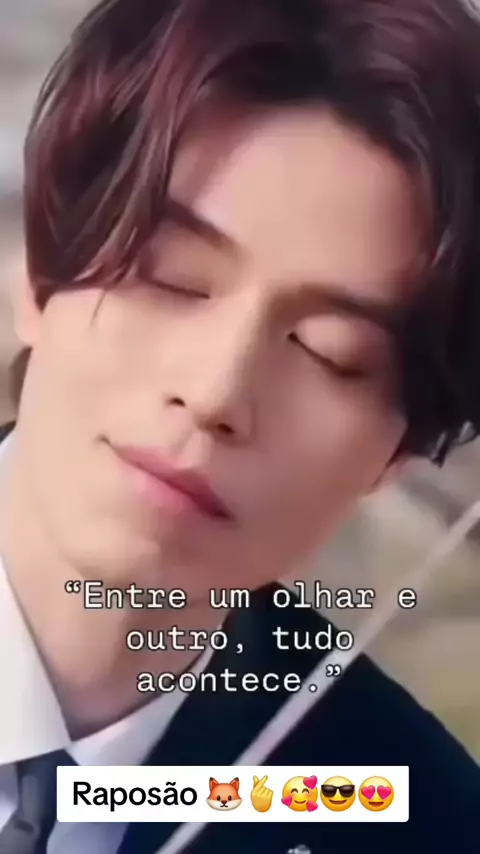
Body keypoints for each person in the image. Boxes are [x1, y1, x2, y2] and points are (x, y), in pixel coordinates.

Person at [0, 0, 479, 851]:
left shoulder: (410, 815)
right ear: (41, 275)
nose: (216, 392)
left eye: (330, 353)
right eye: (174, 278)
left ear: (397, 453)